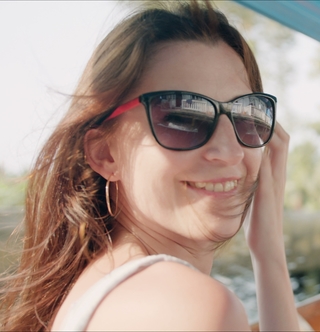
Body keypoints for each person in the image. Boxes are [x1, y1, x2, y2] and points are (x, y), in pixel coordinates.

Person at [0, 1, 299, 330]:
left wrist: (268, 249)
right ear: (105, 154)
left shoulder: (107, 284)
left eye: (246, 115)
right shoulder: (190, 308)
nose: (230, 152)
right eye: (183, 118)